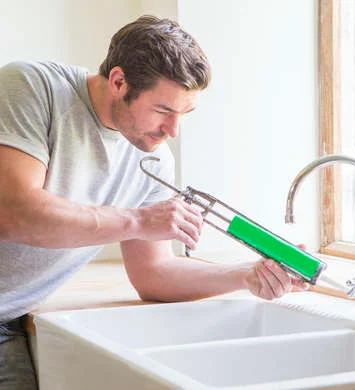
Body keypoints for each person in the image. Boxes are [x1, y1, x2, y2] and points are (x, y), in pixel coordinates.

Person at [0, 15, 307, 389]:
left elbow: (153, 275)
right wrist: (138, 221)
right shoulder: (32, 87)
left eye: (184, 114)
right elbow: (14, 212)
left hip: (8, 317)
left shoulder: (154, 160)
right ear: (118, 82)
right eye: (164, 110)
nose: (173, 131)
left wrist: (245, 276)